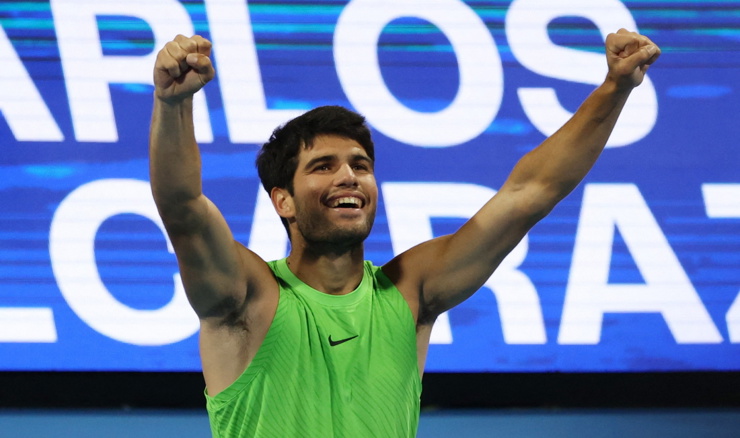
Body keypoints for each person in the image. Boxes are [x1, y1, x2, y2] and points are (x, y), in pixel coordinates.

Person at [149, 29, 660, 437]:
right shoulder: (248, 299)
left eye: (360, 165)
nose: (349, 177)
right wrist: (173, 105)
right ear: (283, 200)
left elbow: (530, 193)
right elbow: (183, 209)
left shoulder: (409, 291)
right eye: (323, 166)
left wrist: (614, 89)